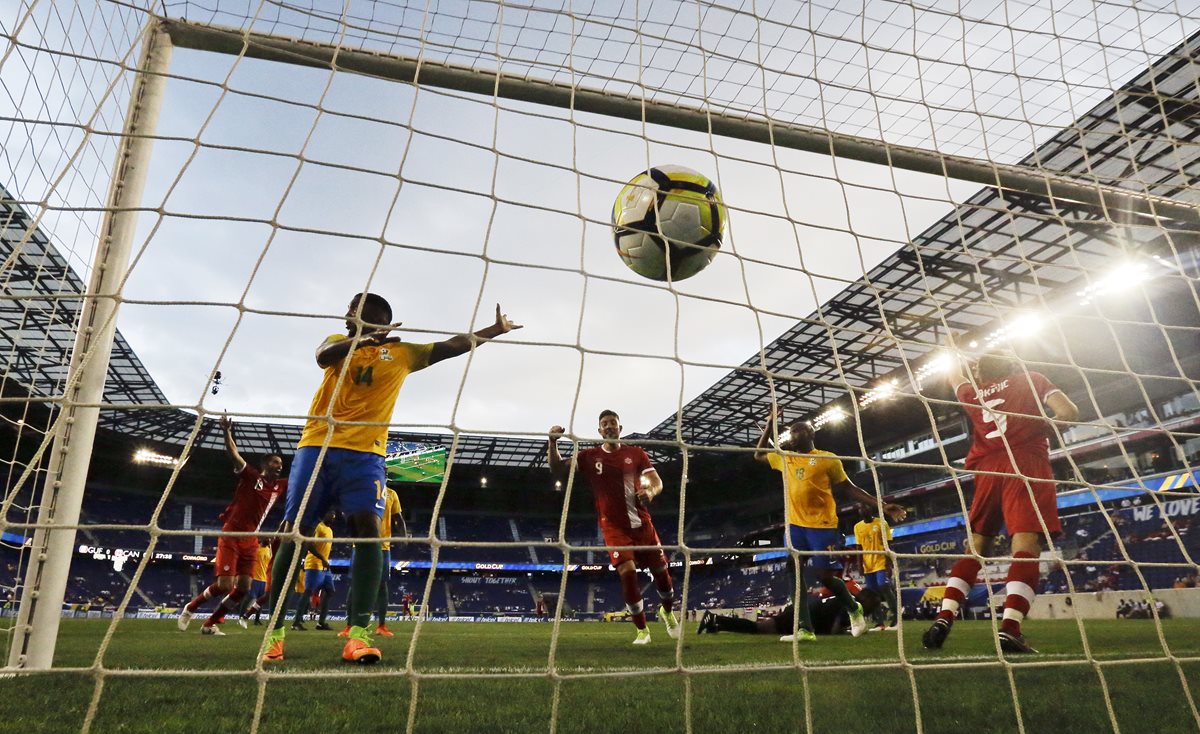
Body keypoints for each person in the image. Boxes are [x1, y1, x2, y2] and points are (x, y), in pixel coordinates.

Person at [264, 294, 521, 664]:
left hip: (367, 456)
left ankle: (357, 637)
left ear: (381, 322)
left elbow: (451, 346)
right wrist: (363, 341)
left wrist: (494, 330)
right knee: (294, 531)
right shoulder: (338, 343)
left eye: (359, 309)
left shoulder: (402, 354)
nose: (350, 312)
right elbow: (323, 354)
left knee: (369, 531)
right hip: (317, 447)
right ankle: (274, 636)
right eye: (352, 309)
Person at [922, 350, 1078, 654]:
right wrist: (1039, 428)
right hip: (1026, 463)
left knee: (976, 547)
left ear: (982, 372)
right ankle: (1010, 628)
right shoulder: (1032, 379)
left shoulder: (973, 393)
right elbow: (1069, 412)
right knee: (1025, 545)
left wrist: (950, 352)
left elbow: (955, 376)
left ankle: (944, 615)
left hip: (987, 469)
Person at [755, 412, 906, 643]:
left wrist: (883, 506)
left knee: (824, 577)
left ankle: (854, 608)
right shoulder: (786, 458)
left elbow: (849, 488)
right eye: (792, 431)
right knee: (792, 569)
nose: (794, 434)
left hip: (822, 525)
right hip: (795, 525)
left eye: (799, 430)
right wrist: (769, 426)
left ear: (811, 433)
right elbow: (758, 454)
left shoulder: (827, 458)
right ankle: (805, 629)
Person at [548, 410, 679, 645]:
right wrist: (552, 442)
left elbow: (657, 482)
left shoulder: (636, 454)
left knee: (662, 576)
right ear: (599, 430)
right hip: (614, 529)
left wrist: (650, 491)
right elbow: (558, 469)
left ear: (620, 428)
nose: (609, 427)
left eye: (613, 423)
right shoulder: (589, 457)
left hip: (642, 525)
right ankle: (642, 631)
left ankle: (667, 611)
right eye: (604, 424)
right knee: (627, 573)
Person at [179, 415, 285, 635]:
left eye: (281, 465)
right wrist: (227, 431)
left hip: (251, 540)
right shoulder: (251, 476)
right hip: (231, 534)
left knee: (244, 588)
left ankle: (210, 624)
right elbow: (234, 454)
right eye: (275, 463)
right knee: (226, 586)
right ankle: (191, 606)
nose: (279, 467)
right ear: (265, 464)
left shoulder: (279, 487)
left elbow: (304, 478)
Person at [698, 579, 882, 637]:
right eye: (873, 604)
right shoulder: (851, 606)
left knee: (759, 628)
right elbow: (835, 630)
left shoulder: (845, 600)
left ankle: (717, 624)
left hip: (801, 613)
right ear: (864, 599)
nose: (872, 609)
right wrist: (849, 633)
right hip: (798, 617)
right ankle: (715, 620)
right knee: (759, 628)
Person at [340, 485, 404, 638]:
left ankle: (382, 625)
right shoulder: (363, 488)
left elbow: (398, 518)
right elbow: (347, 512)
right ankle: (349, 625)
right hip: (361, 543)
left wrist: (404, 535)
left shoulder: (392, 494)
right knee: (355, 583)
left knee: (382, 584)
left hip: (384, 546)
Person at [850, 503, 897, 630]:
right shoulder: (857, 527)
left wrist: (889, 563)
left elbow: (888, 543)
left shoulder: (882, 523)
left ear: (870, 509)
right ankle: (879, 623)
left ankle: (896, 618)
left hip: (880, 561)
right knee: (872, 593)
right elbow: (858, 547)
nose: (863, 509)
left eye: (865, 507)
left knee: (883, 586)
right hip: (867, 564)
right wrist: (859, 565)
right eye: (860, 508)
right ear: (859, 512)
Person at [292, 510, 336, 631]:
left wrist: (325, 559)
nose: (333, 516)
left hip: (324, 566)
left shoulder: (330, 530)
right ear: (325, 514)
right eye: (331, 513)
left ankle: (321, 623)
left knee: (330, 591)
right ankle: (296, 622)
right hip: (314, 564)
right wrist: (322, 557)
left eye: (334, 514)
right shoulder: (318, 527)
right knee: (308, 592)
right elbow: (308, 544)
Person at [240, 540, 273, 625]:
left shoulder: (269, 549)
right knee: (249, 597)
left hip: (264, 579)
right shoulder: (256, 548)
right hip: (255, 577)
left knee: (261, 600)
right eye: (267, 538)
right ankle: (241, 616)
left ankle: (257, 620)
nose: (269, 540)